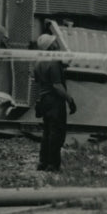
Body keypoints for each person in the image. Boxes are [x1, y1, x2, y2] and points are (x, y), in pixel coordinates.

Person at [32, 33, 76, 171]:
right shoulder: (53, 62)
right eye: (54, 43)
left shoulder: (38, 62)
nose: (57, 44)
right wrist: (70, 99)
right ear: (51, 47)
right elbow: (57, 85)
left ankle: (42, 162)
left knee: (46, 132)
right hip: (55, 101)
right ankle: (53, 164)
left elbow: (38, 82)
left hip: (44, 100)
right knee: (56, 133)